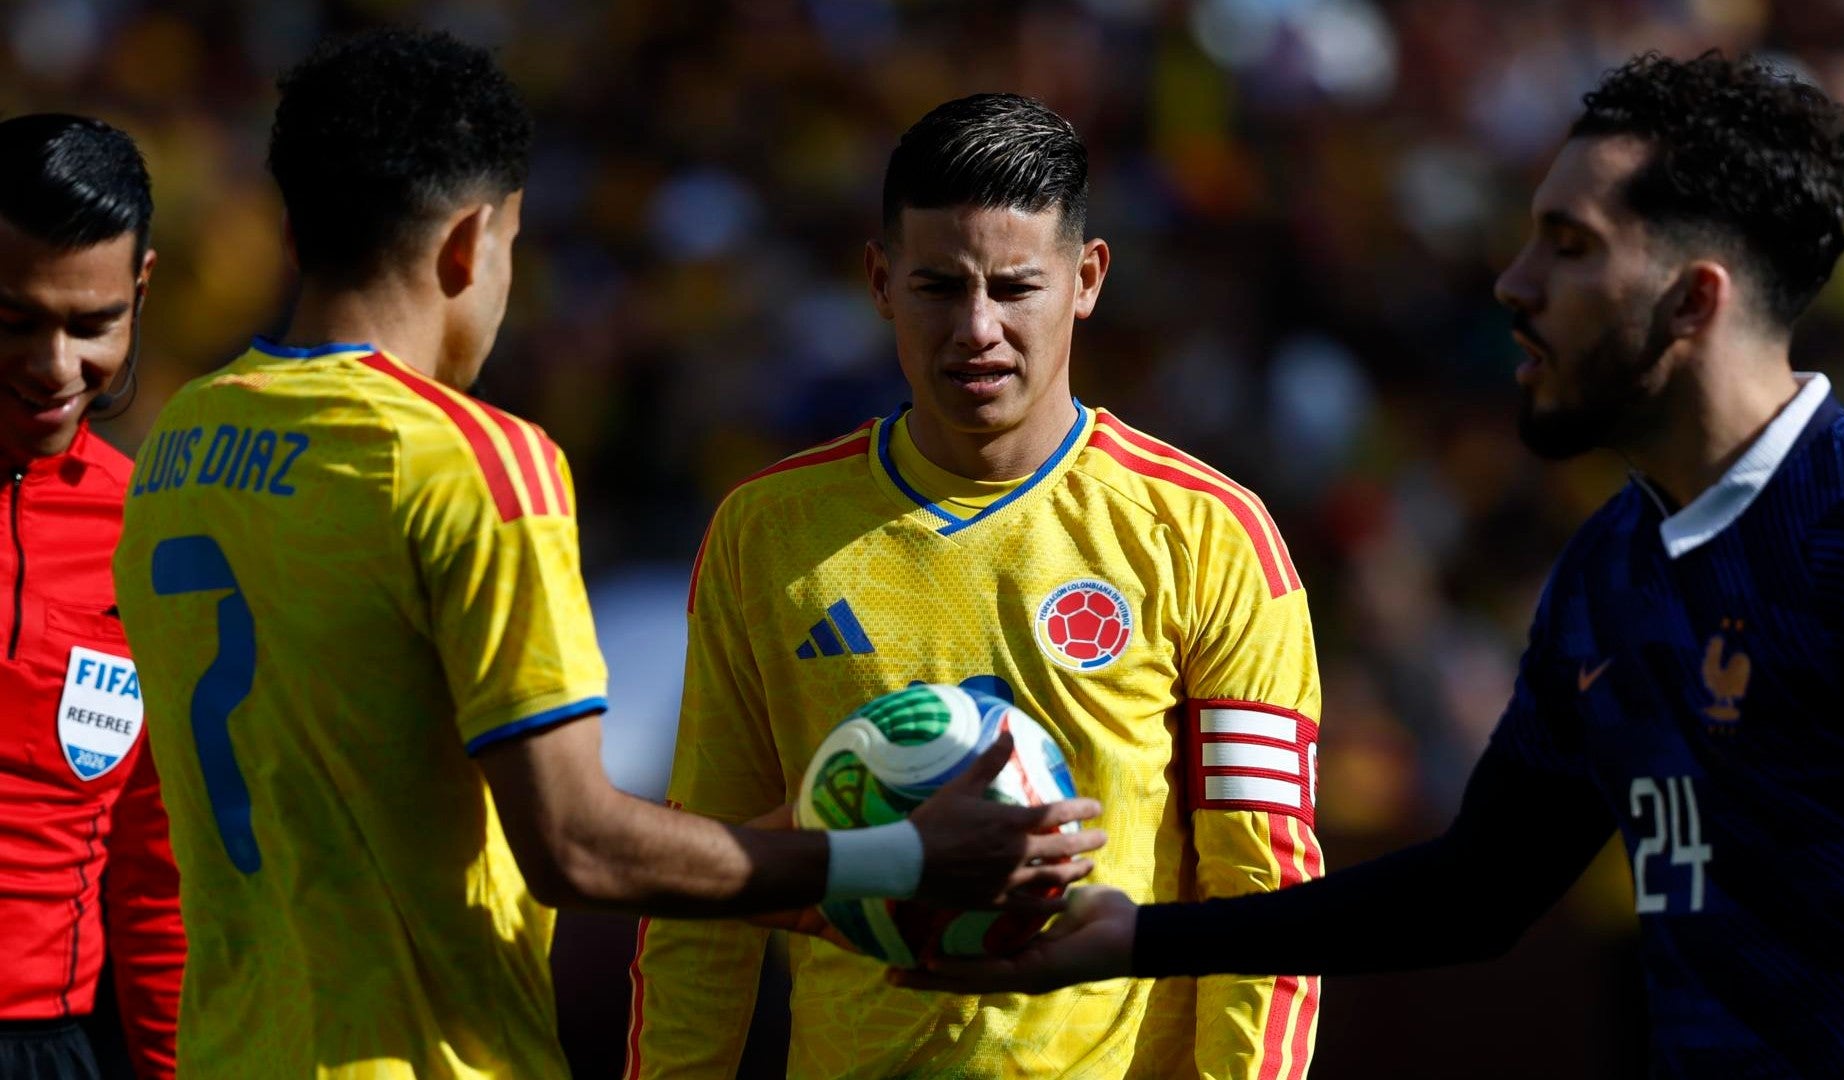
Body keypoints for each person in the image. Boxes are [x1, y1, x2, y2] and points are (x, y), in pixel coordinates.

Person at [898, 51, 1844, 1077]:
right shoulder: (1612, 570)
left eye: (1569, 247)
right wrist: (1142, 940)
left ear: (1694, 300)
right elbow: (1475, 892)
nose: (1514, 284)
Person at [109, 32, 1102, 1078]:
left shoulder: (179, 447)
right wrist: (893, 856)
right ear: (470, 242)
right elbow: (574, 844)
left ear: (292, 227)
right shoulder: (473, 463)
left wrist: (784, 868)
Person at [629, 93, 1325, 1080]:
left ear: (1086, 280)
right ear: (879, 282)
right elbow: (705, 885)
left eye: (1014, 286)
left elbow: (1267, 891)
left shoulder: (1208, 534)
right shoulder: (767, 532)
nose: (978, 328)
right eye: (939, 286)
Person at [0, 114, 185, 1080]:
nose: (54, 368)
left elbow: (157, 880)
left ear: (140, 288)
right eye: (14, 321)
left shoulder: (148, 536)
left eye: (91, 325)